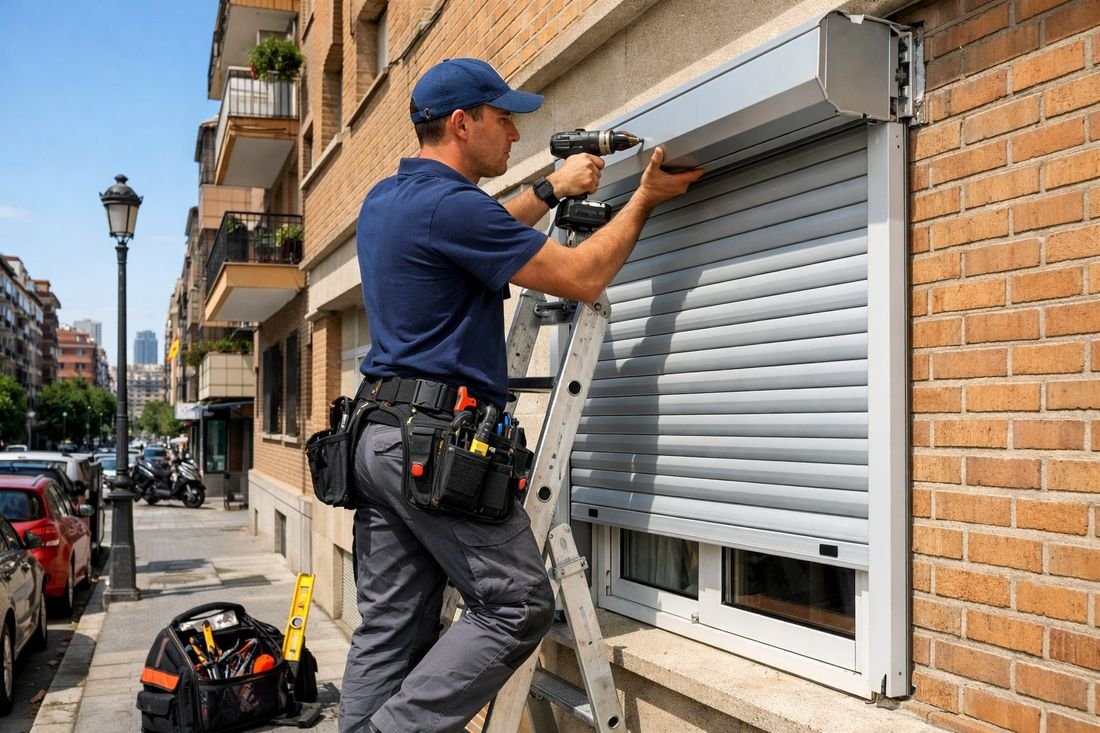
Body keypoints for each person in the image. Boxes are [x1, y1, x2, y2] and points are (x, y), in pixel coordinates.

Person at [340, 57, 704, 733]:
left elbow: (479, 232)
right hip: (430, 448)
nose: (513, 132)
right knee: (515, 603)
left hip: (375, 439)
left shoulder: (388, 202)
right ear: (461, 123)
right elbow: (582, 276)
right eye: (503, 118)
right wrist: (644, 199)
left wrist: (547, 187)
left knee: (391, 625)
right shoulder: (453, 207)